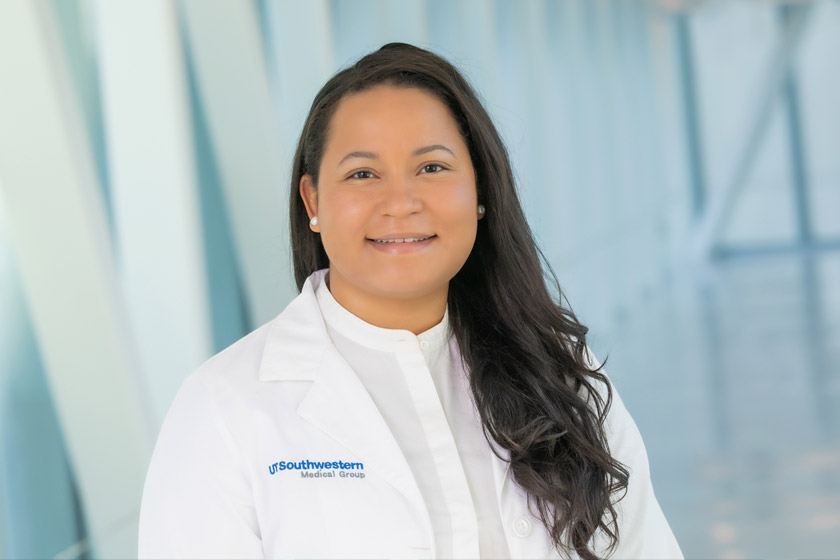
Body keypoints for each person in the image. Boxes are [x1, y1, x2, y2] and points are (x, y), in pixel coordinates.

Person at [137, 42, 684, 560]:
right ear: (313, 201)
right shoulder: (223, 407)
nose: (400, 202)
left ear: (480, 193)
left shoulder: (561, 376)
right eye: (362, 174)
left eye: (432, 167)